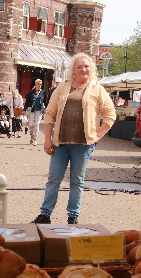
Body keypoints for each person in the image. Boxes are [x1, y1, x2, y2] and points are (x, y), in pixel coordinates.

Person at [32, 53, 116, 225]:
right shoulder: (63, 87)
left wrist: (97, 136)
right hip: (60, 143)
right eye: (79, 66)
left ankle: (73, 216)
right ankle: (45, 214)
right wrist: (47, 139)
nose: (83, 69)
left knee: (77, 180)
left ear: (91, 69)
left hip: (83, 145)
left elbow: (110, 115)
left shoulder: (97, 89)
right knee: (54, 179)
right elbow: (49, 114)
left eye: (86, 66)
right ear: (74, 70)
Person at [24, 79, 47, 146]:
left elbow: (45, 101)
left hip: (39, 110)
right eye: (38, 84)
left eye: (41, 84)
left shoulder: (43, 92)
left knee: (37, 124)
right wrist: (24, 109)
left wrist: (47, 108)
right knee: (30, 125)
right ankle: (31, 136)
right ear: (35, 84)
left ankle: (35, 139)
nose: (40, 85)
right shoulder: (31, 92)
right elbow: (27, 102)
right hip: (32, 110)